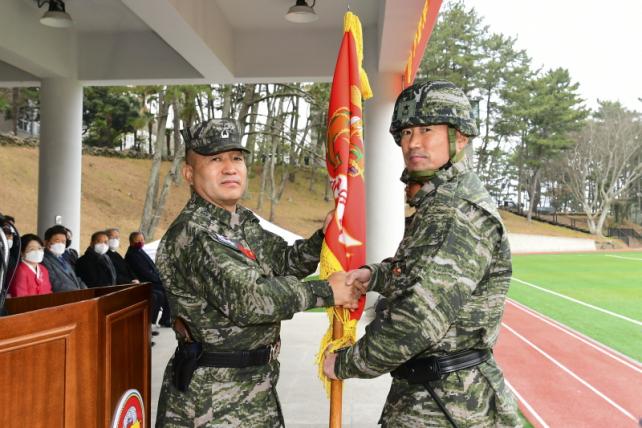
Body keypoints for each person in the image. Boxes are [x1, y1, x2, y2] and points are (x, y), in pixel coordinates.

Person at [323, 80, 521, 427]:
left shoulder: (458, 210)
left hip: (448, 405)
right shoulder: (437, 201)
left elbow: (419, 318)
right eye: (406, 132)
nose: (413, 142)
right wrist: (375, 275)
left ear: (460, 137)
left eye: (427, 130)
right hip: (430, 395)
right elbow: (416, 271)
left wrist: (345, 362)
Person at [154, 118, 360, 427]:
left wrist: (324, 238)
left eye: (236, 158)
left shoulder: (239, 223)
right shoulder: (194, 234)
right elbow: (251, 299)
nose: (230, 168)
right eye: (215, 159)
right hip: (213, 401)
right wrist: (327, 291)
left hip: (253, 387)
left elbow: (284, 262)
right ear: (189, 173)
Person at [125, 231, 171, 327]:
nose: (141, 242)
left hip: (153, 280)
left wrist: (160, 277)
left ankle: (165, 319)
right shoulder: (132, 254)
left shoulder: (140, 250)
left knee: (168, 289)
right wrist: (159, 280)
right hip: (146, 282)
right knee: (163, 292)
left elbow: (152, 267)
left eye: (142, 239)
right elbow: (144, 272)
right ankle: (159, 321)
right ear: (131, 241)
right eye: (138, 240)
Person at [42, 225, 87, 292]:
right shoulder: (44, 259)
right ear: (46, 242)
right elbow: (53, 282)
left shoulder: (63, 258)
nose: (61, 244)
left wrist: (85, 289)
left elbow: (74, 277)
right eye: (57, 241)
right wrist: (76, 292)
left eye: (63, 241)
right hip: (64, 296)